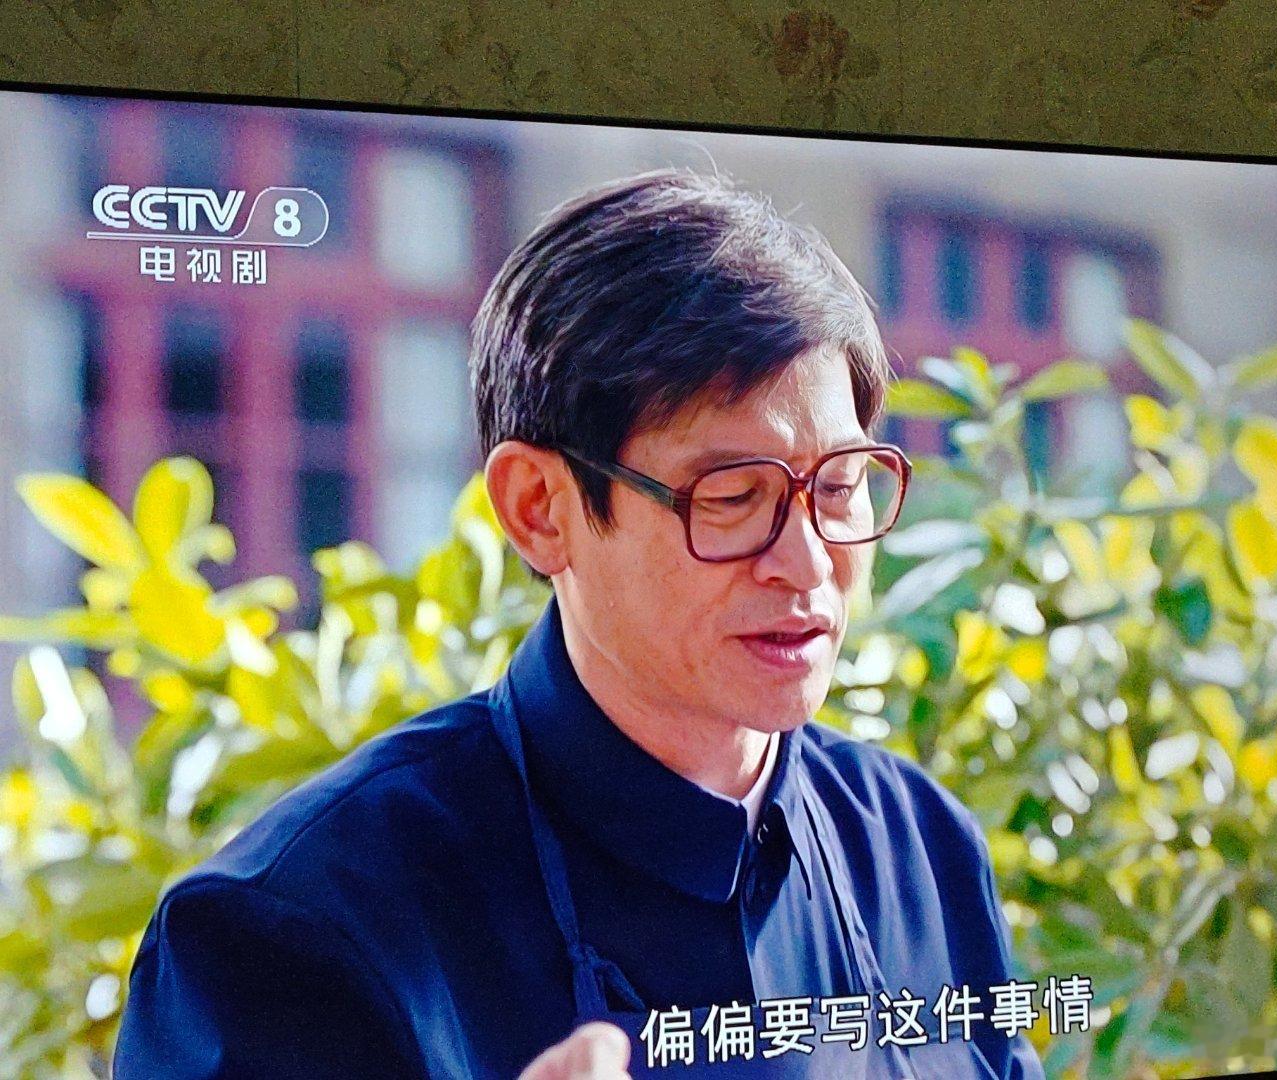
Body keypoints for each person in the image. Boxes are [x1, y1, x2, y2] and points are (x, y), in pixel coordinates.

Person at [114, 168, 1045, 1079]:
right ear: (539, 509)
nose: (805, 563)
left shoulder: (921, 849)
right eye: (731, 498)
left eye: (838, 487)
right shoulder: (294, 929)